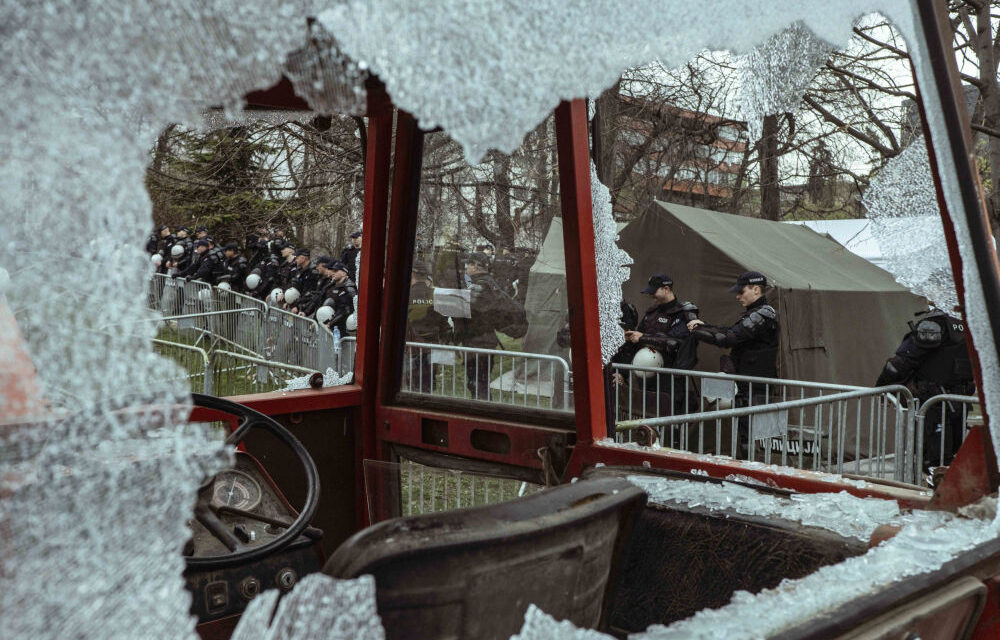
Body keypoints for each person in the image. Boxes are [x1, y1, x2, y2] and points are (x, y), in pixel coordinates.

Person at [688, 271, 779, 454]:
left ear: (756, 289)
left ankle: (756, 474)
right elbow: (730, 331)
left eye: (742, 291)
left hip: (758, 387)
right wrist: (703, 326)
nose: (738, 296)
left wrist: (698, 330)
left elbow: (729, 338)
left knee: (758, 438)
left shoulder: (763, 314)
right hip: (749, 385)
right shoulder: (754, 314)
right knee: (746, 434)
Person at [876, 308, 974, 469]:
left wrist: (881, 387)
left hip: (934, 401)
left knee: (934, 460)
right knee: (949, 455)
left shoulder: (934, 324)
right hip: (959, 400)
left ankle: (932, 489)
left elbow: (898, 365)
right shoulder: (971, 322)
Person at [610, 273, 700, 425]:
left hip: (671, 379)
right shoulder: (651, 313)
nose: (651, 295)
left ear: (666, 289)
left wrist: (643, 337)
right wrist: (623, 374)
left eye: (654, 291)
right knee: (647, 419)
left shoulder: (684, 312)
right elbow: (634, 344)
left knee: (670, 422)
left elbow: (677, 342)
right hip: (647, 380)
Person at [456, 252, 513, 401]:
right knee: (480, 383)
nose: (466, 267)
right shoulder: (490, 283)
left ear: (475, 266)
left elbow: (468, 312)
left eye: (468, 264)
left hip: (478, 340)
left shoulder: (480, 286)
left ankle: (481, 413)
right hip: (485, 339)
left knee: (477, 384)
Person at [405, 262, 450, 393]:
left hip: (411, 348)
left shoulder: (405, 295)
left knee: (412, 386)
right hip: (432, 347)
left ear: (412, 274)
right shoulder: (436, 295)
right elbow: (444, 323)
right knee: (428, 385)